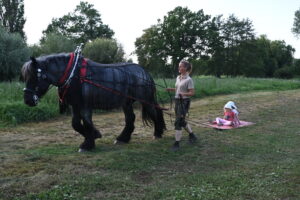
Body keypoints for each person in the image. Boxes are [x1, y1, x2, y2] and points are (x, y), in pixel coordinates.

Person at [166, 60, 197, 151]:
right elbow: (177, 89)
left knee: (178, 121)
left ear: (186, 68)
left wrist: (183, 94)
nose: (179, 68)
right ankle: (192, 136)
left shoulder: (189, 79)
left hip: (184, 102)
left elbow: (192, 93)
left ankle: (177, 143)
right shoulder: (178, 77)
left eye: (181, 66)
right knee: (182, 121)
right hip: (177, 101)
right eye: (179, 66)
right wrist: (171, 89)